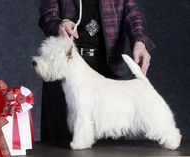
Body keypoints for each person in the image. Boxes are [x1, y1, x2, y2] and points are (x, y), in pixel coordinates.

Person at [38, 0, 155, 141]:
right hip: (64, 64)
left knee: (110, 148)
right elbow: (48, 14)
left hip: (108, 65)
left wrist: (139, 40)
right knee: (57, 144)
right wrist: (59, 25)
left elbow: (132, 11)